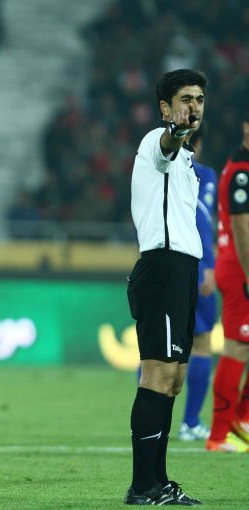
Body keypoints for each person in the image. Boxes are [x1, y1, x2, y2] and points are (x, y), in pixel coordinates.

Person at [125, 68, 206, 505]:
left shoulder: (187, 161)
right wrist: (175, 131)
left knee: (174, 380)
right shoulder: (155, 143)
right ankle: (142, 486)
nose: (194, 107)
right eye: (185, 100)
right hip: (161, 269)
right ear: (165, 108)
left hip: (184, 271)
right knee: (156, 374)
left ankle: (159, 481)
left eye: (199, 100)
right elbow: (166, 145)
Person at [208, 107, 249, 452]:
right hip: (240, 268)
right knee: (237, 345)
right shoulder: (241, 172)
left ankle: (241, 421)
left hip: (239, 265)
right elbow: (241, 226)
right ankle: (219, 435)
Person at [178, 123, 217, 442]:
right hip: (198, 265)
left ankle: (147, 420)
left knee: (153, 348)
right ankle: (190, 422)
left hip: (163, 262)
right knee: (201, 342)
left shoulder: (158, 171)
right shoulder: (206, 176)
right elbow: (203, 221)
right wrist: (210, 265)